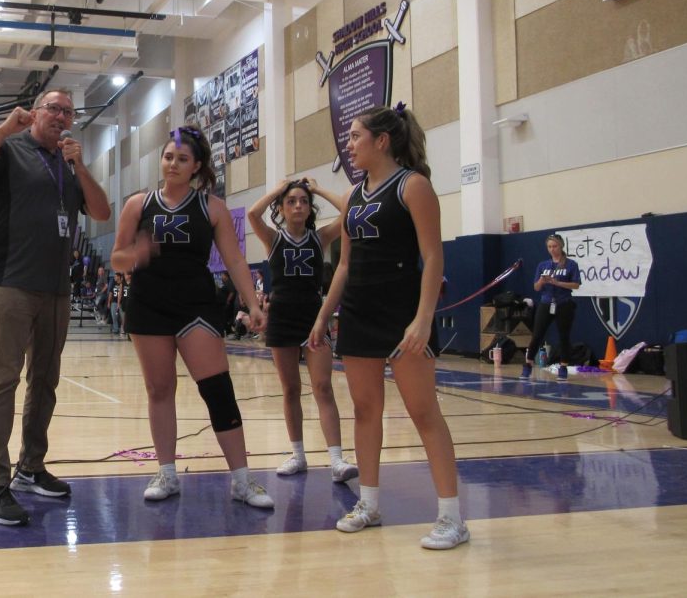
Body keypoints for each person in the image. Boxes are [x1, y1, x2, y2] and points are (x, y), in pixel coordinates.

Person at [308, 103, 468, 550]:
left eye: (356, 136)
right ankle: (370, 504)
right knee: (364, 410)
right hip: (358, 311)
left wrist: (422, 319)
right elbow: (343, 266)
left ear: (382, 141)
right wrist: (323, 316)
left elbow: (433, 256)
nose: (350, 144)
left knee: (423, 412)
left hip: (402, 315)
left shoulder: (413, 186)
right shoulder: (355, 196)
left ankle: (452, 518)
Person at [0, 88, 112, 526]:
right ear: (37, 113)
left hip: (57, 290)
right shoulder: (10, 149)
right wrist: (6, 127)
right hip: (12, 284)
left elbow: (100, 212)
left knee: (45, 381)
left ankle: (30, 467)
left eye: (68, 112)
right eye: (54, 109)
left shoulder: (69, 164)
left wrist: (80, 165)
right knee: (3, 380)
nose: (61, 117)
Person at [110, 125, 272, 509]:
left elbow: (233, 259)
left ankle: (242, 480)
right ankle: (166, 473)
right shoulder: (138, 204)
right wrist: (138, 253)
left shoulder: (211, 207)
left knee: (217, 389)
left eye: (182, 159)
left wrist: (252, 304)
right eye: (168, 157)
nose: (173, 164)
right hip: (148, 305)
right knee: (159, 390)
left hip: (196, 305)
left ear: (196, 166)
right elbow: (117, 258)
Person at [247, 177, 358, 481]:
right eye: (292, 201)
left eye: (304, 201)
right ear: (282, 208)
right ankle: (298, 455)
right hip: (282, 317)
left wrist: (318, 188)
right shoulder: (274, 239)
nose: (298, 206)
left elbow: (349, 210)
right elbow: (253, 215)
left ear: (310, 209)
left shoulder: (319, 238)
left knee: (323, 386)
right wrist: (278, 189)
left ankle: (336, 459)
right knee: (291, 389)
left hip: (314, 318)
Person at [522, 233, 582, 381]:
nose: (552, 249)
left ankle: (563, 366)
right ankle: (528, 364)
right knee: (537, 334)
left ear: (561, 246)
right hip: (546, 302)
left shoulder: (571, 264)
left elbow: (576, 284)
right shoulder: (543, 265)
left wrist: (558, 283)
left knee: (564, 336)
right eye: (549, 247)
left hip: (564, 303)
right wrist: (542, 281)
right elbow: (536, 287)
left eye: (555, 246)